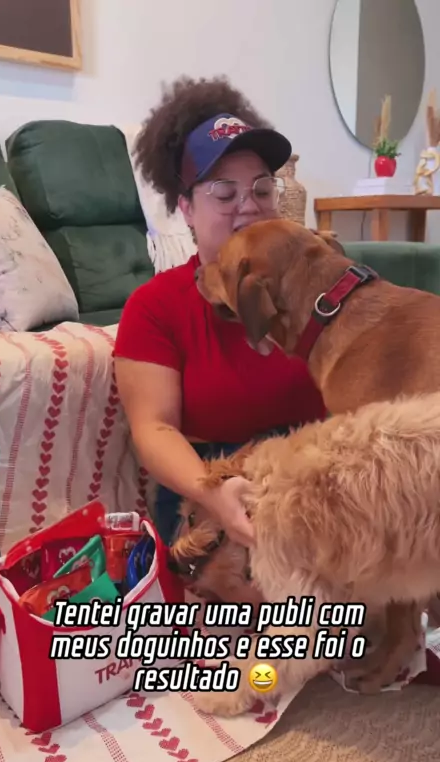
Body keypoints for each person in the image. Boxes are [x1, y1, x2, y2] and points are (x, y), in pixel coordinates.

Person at [114, 76, 326, 548]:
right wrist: (214, 493)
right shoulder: (155, 306)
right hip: (212, 488)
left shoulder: (316, 284)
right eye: (225, 194)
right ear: (186, 208)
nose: (249, 207)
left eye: (263, 190)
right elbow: (154, 428)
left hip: (317, 475)